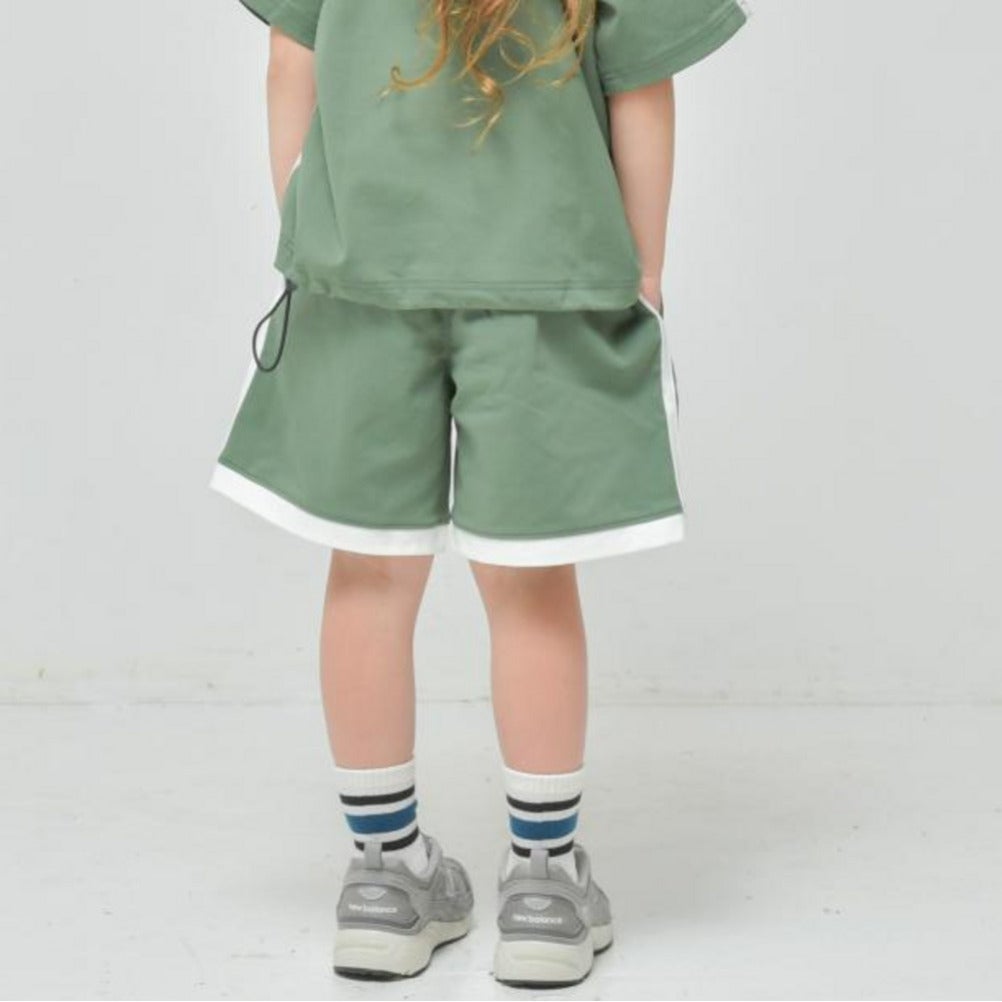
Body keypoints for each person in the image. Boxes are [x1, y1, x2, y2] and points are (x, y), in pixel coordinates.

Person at [211, 0, 747, 987]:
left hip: (361, 279)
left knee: (369, 573)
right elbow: (642, 89)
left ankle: (384, 875)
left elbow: (291, 62)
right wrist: (644, 272)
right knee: (529, 580)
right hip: (547, 277)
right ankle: (545, 887)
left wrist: (311, 222)